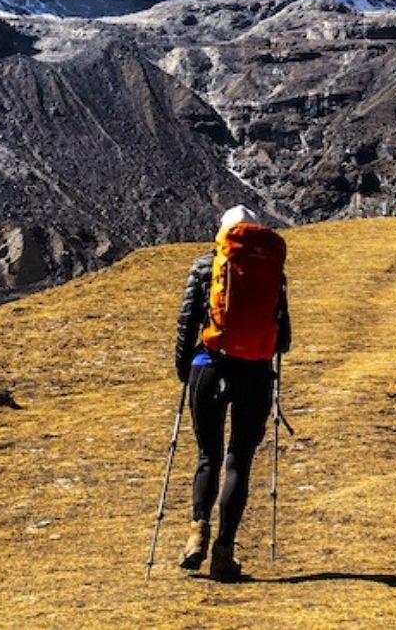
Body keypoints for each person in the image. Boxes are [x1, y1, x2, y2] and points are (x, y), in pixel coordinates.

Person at [174, 204, 291, 580]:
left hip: (208, 367)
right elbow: (283, 338)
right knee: (239, 459)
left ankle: (196, 535)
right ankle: (224, 552)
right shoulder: (273, 271)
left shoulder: (205, 266)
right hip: (254, 374)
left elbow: (187, 323)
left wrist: (185, 372)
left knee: (208, 455)